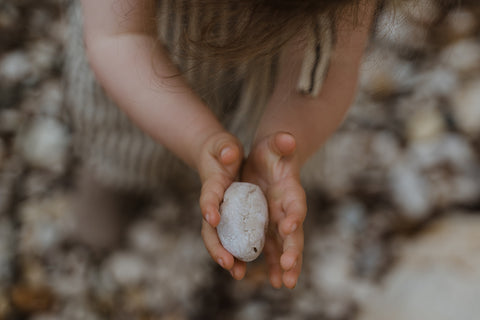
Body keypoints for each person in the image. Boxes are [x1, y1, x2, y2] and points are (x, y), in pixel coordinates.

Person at [65, 0, 377, 289]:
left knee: (284, 157)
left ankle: (280, 186)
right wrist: (199, 139)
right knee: (126, 148)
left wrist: (283, 144)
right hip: (144, 79)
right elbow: (118, 38)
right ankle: (116, 178)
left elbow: (334, 60)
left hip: (271, 96)